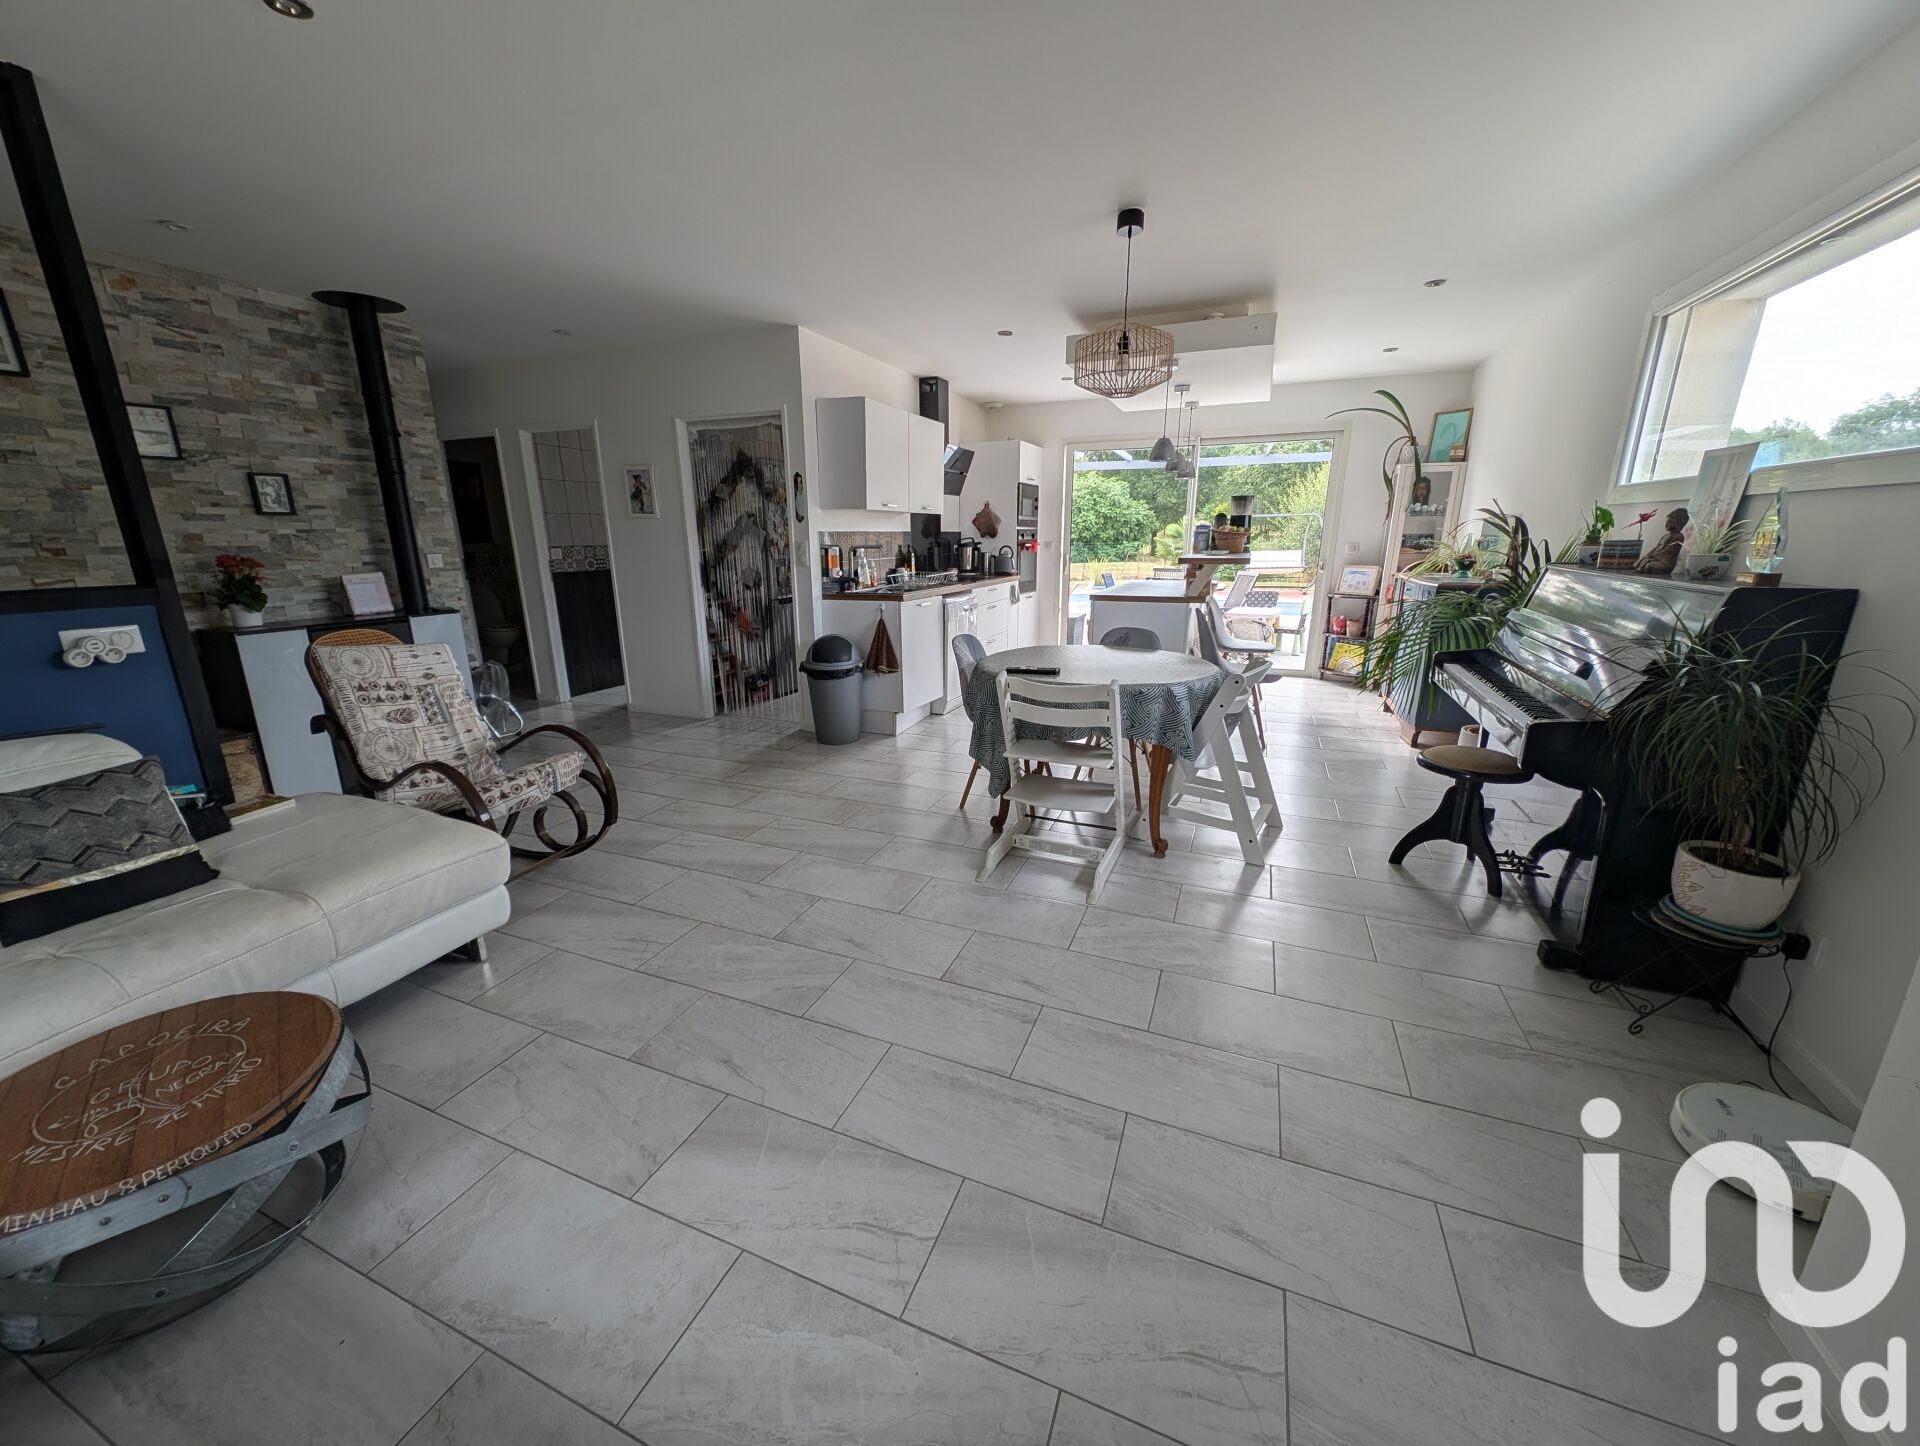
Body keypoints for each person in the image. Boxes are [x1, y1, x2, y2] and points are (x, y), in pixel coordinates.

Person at [1635, 507, 1690, 575]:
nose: (1666, 524)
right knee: (1637, 563)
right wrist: (1647, 556)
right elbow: (1656, 548)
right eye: (1666, 522)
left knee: (1649, 566)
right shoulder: (1666, 536)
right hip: (1656, 558)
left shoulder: (1678, 536)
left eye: (1669, 522)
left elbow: (1666, 552)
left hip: (1665, 562)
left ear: (1677, 523)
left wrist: (1652, 557)